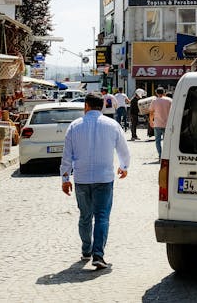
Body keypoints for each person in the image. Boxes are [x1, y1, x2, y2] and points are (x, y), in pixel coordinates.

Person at [60, 93, 130, 270]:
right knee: (102, 216)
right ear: (102, 106)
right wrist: (124, 166)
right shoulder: (112, 125)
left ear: (86, 106)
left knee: (85, 216)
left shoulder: (74, 126)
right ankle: (98, 254)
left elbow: (66, 156)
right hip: (104, 178)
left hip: (82, 179)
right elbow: (123, 150)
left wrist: (65, 178)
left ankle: (86, 250)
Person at [149, 86, 173, 159]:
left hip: (157, 124)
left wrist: (151, 121)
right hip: (167, 124)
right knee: (167, 141)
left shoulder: (154, 101)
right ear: (164, 92)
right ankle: (167, 156)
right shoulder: (170, 100)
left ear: (156, 93)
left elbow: (151, 112)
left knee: (157, 141)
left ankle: (160, 155)